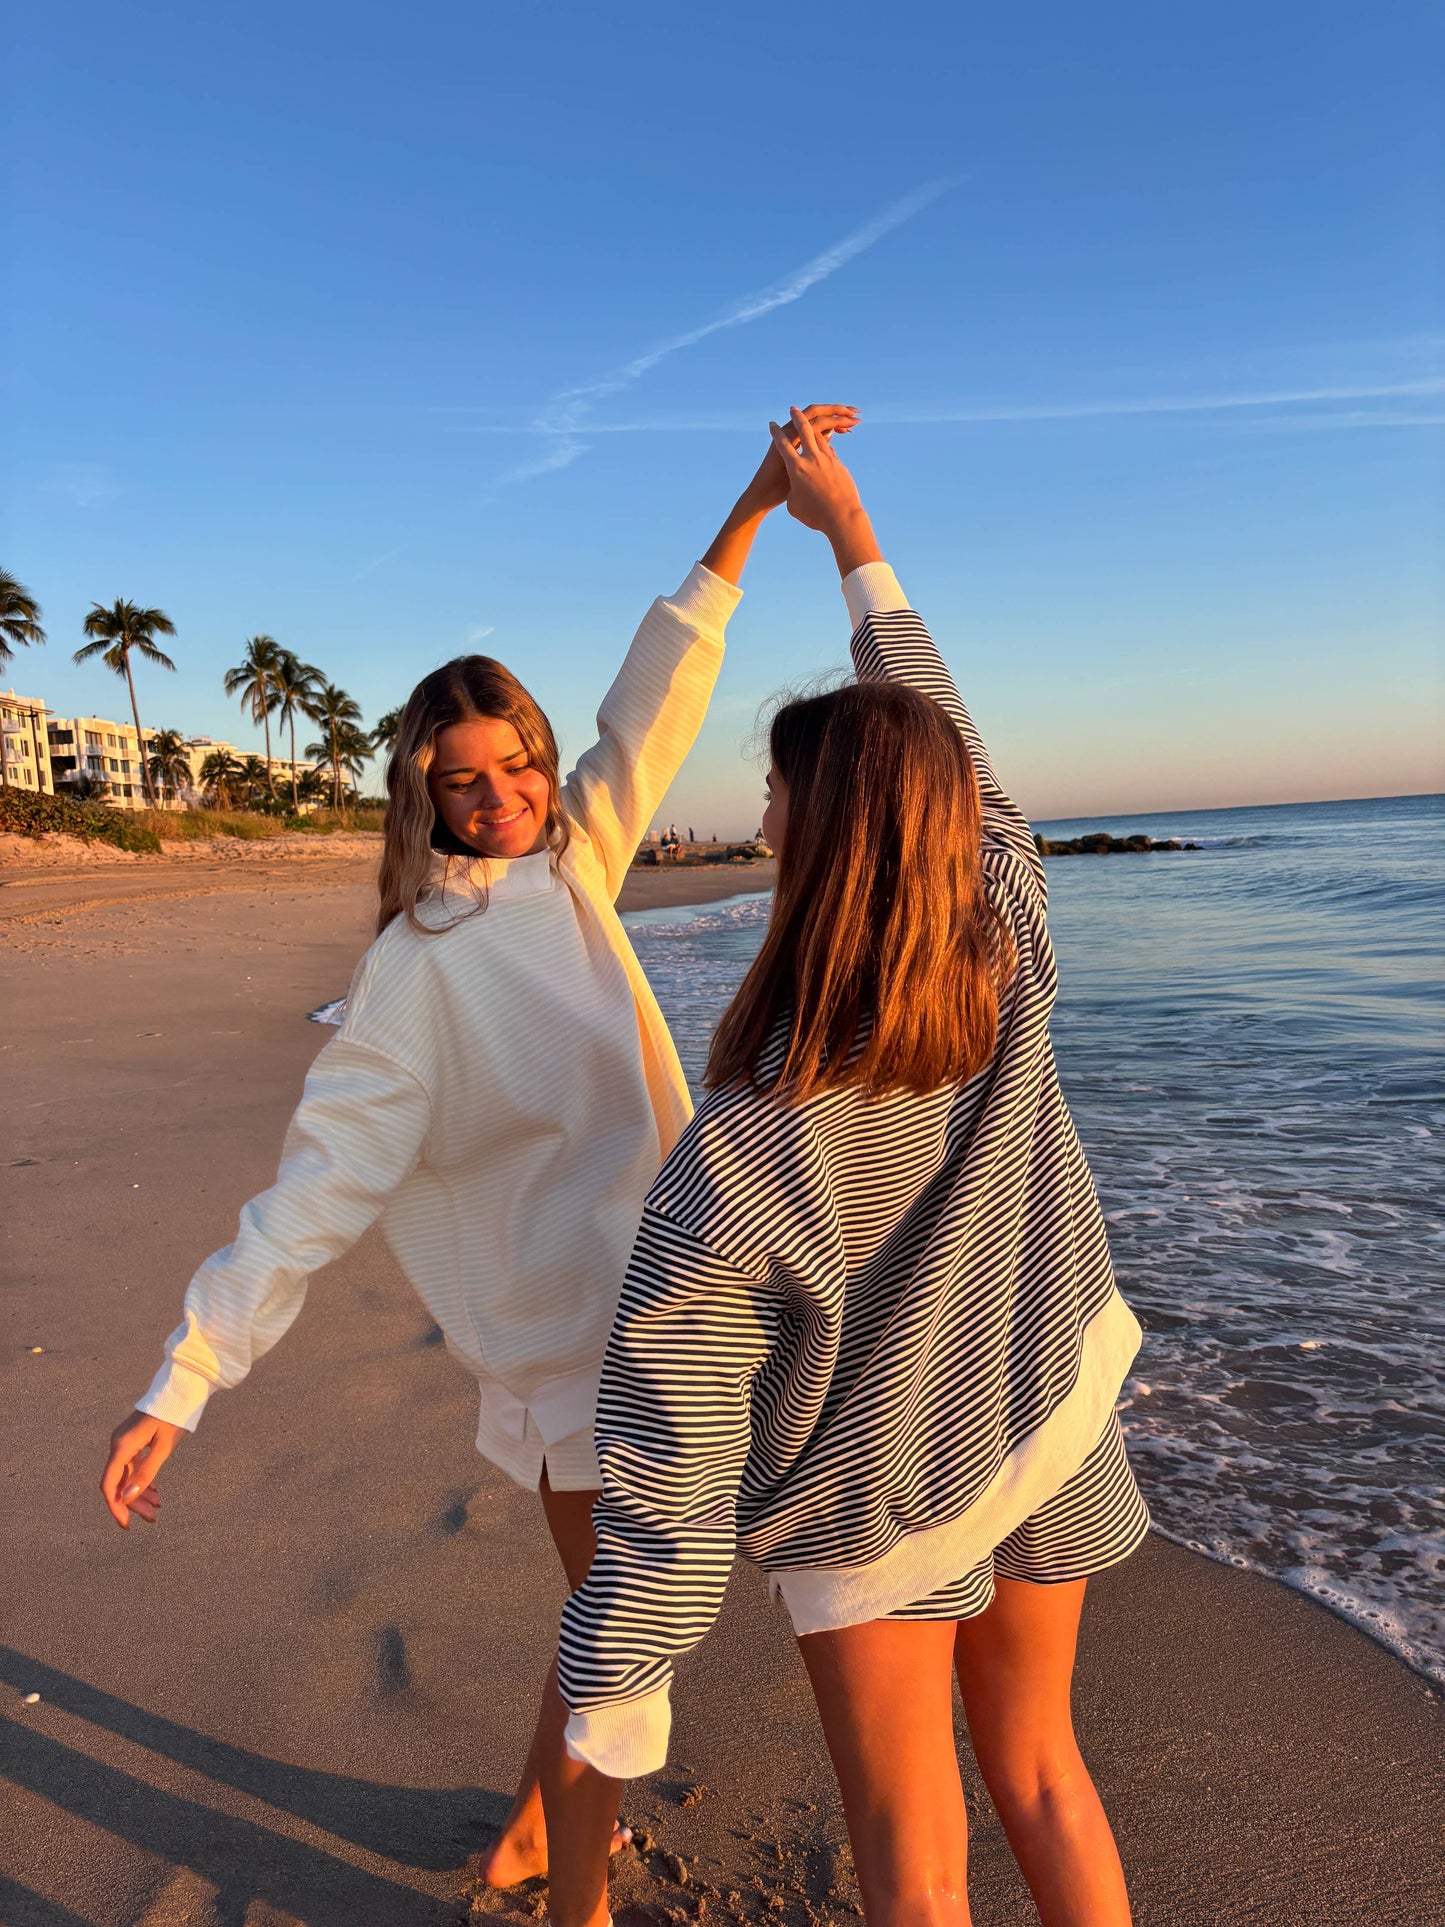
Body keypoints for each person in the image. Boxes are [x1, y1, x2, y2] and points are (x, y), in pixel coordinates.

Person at [97, 405, 860, 1889]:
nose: (504, 794)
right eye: (467, 778)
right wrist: (186, 1375)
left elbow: (656, 701)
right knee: (617, 1657)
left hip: (684, 1312)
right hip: (575, 1351)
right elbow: (317, 1189)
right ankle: (568, 1902)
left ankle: (524, 1833)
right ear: (422, 795)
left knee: (606, 1627)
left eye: (518, 762)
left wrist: (752, 512)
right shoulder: (413, 969)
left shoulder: (577, 860)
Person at [545, 412, 1147, 1927]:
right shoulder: (1012, 954)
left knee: (910, 1844)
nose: (755, 817)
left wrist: (616, 1682)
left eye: (775, 798)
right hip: (1046, 1418)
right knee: (1048, 1777)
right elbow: (969, 766)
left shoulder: (746, 1133)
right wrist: (852, 538)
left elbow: (668, 1461)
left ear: (819, 840)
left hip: (874, 1501)